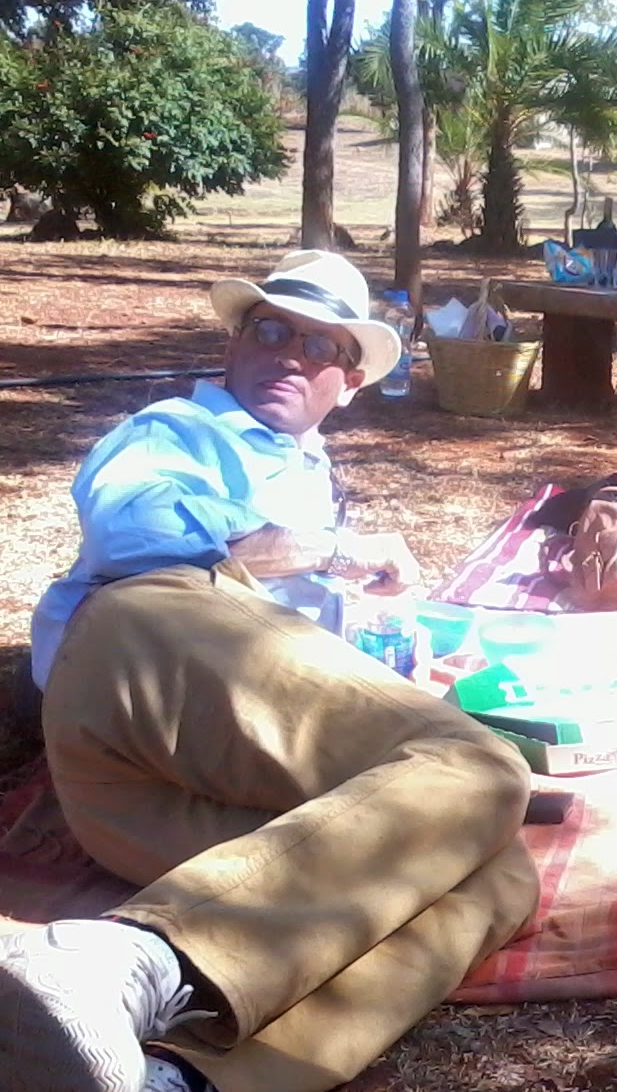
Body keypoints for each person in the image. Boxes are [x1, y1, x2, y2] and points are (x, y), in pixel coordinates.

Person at [1, 252, 538, 1092]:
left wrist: (379, 667)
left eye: (322, 346)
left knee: (491, 868)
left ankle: (175, 1069)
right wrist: (336, 552)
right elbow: (140, 530)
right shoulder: (176, 431)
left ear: (350, 382)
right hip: (132, 673)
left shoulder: (309, 471)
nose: (291, 352)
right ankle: (127, 961)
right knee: (479, 763)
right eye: (272, 329)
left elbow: (281, 663)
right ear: (235, 343)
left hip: (177, 798)